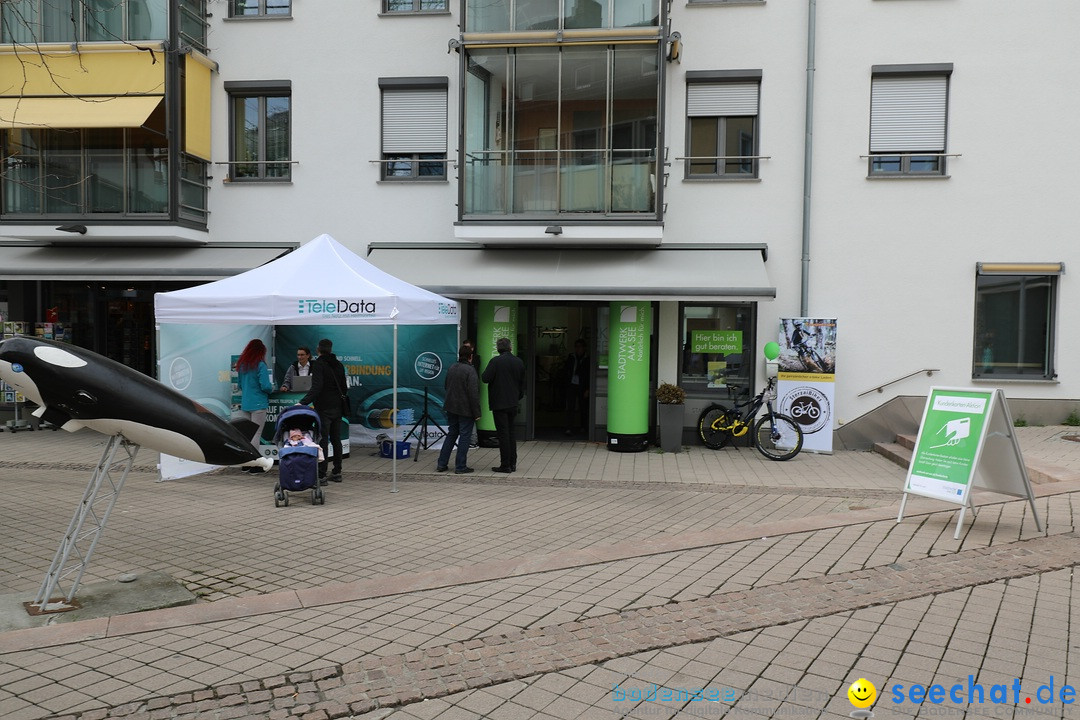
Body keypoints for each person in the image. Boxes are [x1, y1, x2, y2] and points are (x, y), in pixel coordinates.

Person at [299, 338, 348, 484]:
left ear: (318, 349)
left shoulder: (319, 364)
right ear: (331, 349)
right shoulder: (338, 364)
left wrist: (302, 402)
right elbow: (344, 387)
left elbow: (317, 387)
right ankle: (337, 471)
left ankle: (321, 474)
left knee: (323, 440)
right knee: (336, 439)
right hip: (337, 407)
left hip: (323, 407)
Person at [435, 344, 482, 474]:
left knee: (451, 434)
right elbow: (473, 393)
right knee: (465, 437)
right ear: (470, 357)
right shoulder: (470, 370)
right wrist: (477, 412)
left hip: (451, 407)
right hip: (465, 409)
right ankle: (460, 466)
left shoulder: (451, 367)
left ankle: (441, 464)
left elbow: (446, 386)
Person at [481, 337, 525, 473]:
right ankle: (513, 463)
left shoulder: (495, 362)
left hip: (499, 403)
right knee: (511, 434)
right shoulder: (519, 362)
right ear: (510, 348)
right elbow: (522, 383)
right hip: (513, 403)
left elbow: (485, 378)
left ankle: (505, 465)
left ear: (498, 348)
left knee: (503, 435)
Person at [235, 338, 273, 471]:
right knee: (256, 434)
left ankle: (246, 463)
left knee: (247, 435)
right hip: (259, 403)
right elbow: (266, 386)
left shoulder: (242, 364)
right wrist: (272, 388)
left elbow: (239, 385)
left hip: (245, 403)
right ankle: (255, 464)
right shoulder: (260, 365)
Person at [563, 338, 589, 436]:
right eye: (576, 347)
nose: (578, 349)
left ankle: (584, 427)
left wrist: (588, 389)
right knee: (570, 407)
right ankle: (569, 427)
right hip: (572, 385)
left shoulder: (587, 359)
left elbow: (589, 375)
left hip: (582, 386)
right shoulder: (571, 358)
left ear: (584, 348)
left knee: (583, 407)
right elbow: (566, 371)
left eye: (580, 347)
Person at [463, 339, 481, 449]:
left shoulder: (475, 360)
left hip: (471, 391)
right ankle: (472, 440)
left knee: (471, 416)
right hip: (463, 393)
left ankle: (473, 441)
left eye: (467, 348)